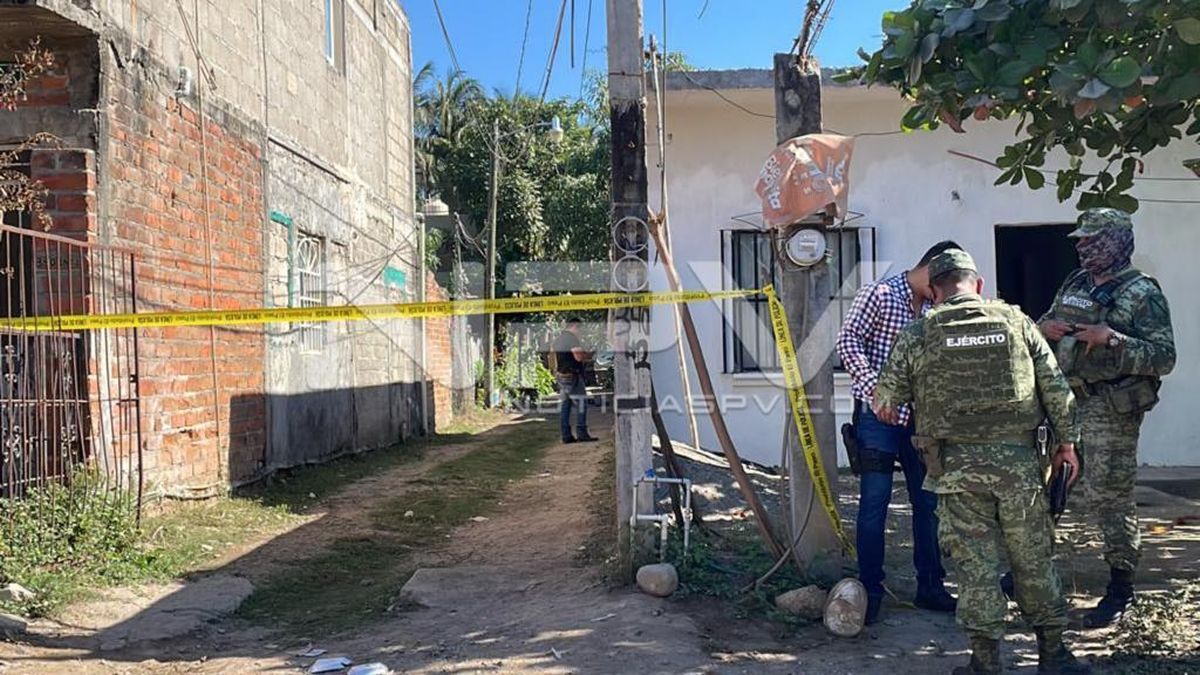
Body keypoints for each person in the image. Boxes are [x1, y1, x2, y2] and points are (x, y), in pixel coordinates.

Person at [874, 249, 1089, 675]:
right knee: (1032, 559)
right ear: (978, 284)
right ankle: (1054, 655)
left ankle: (985, 663)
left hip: (956, 471)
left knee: (976, 566)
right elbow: (1055, 389)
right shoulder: (1018, 322)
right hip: (1020, 469)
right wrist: (1067, 445)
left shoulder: (918, 333)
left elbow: (885, 403)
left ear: (933, 291)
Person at [1037, 208, 1176, 628]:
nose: (1083, 247)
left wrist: (1113, 339)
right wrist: (1046, 327)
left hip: (1110, 409)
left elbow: (1164, 357)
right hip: (1065, 401)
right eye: (1080, 240)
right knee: (1049, 486)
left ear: (1116, 242)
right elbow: (1045, 320)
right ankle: (1031, 572)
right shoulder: (1075, 282)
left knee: (1111, 498)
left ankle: (1120, 587)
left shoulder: (1142, 292)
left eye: (1092, 240)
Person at [835, 240, 961, 624]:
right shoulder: (879, 294)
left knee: (928, 504)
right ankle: (869, 591)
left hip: (922, 422)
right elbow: (847, 342)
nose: (944, 292)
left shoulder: (937, 308)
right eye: (942, 282)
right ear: (930, 269)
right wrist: (878, 392)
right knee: (875, 503)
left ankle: (931, 587)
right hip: (879, 418)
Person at [552, 319, 596, 443]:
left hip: (562, 374)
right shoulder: (571, 339)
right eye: (580, 329)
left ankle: (566, 435)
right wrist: (588, 355)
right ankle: (582, 433)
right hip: (572, 375)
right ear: (575, 327)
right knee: (581, 403)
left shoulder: (559, 339)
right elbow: (578, 357)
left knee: (565, 406)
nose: (581, 333)